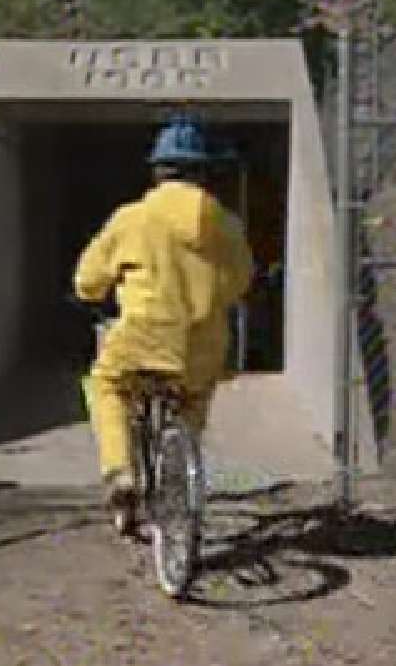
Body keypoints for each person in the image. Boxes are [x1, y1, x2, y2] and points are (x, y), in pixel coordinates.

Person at [73, 115, 255, 522]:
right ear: (206, 172)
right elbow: (241, 280)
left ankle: (120, 473)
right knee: (191, 399)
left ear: (158, 170)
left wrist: (92, 293)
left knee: (107, 385)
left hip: (143, 335)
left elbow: (88, 280)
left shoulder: (133, 218)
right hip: (203, 344)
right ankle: (180, 474)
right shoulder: (226, 224)